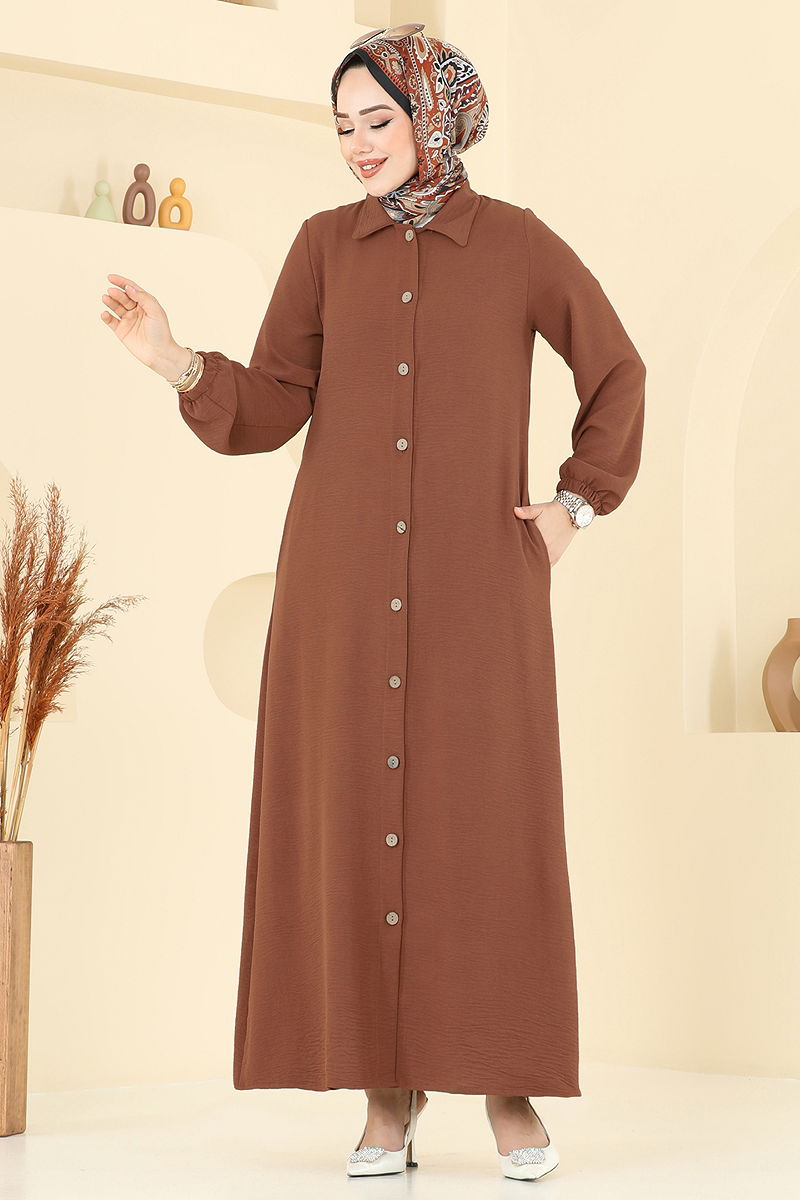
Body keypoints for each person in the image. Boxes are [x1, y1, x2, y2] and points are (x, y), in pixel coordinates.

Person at [100, 21, 645, 1183]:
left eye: (377, 120)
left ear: (432, 117)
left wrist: (573, 505)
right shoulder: (321, 248)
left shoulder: (516, 244)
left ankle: (505, 1087)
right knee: (352, 822)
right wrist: (174, 360)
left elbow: (615, 370)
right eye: (342, 125)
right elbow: (271, 405)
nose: (355, 144)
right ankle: (384, 1100)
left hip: (477, 586)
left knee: (484, 826)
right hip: (338, 589)